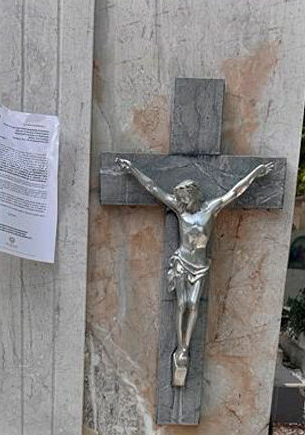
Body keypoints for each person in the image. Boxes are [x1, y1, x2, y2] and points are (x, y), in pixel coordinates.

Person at [116, 157, 274, 386]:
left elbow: (234, 192)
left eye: (184, 197)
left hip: (200, 266)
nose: (181, 201)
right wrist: (132, 170)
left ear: (193, 195)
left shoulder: (211, 209)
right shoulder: (180, 211)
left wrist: (254, 175)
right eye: (179, 198)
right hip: (182, 262)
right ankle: (181, 348)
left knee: (194, 304)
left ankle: (185, 346)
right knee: (182, 304)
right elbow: (153, 188)